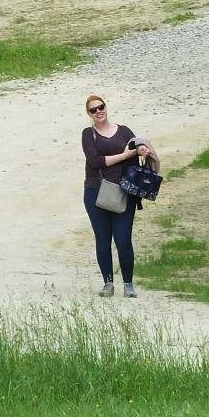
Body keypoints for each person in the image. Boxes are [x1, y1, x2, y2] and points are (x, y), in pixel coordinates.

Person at [81, 95, 158, 299]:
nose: (98, 112)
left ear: (106, 107)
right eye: (93, 110)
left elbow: (136, 144)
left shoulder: (123, 131)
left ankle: (128, 284)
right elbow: (95, 160)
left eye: (101, 107)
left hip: (124, 192)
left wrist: (142, 150)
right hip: (96, 192)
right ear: (89, 114)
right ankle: (108, 283)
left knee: (123, 239)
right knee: (103, 239)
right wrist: (125, 155)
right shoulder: (88, 134)